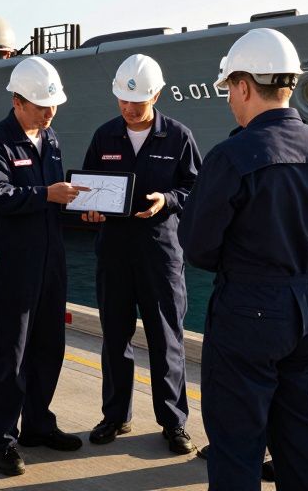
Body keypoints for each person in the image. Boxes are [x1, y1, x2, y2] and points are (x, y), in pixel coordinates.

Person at [179, 28, 308, 491]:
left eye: (229, 90)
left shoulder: (232, 157)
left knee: (237, 445)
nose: (229, 100)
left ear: (243, 85)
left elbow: (197, 246)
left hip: (250, 310)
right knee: (304, 440)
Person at [0, 57, 88, 477]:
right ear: (18, 101)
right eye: (41, 105)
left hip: (51, 261)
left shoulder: (50, 138)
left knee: (48, 346)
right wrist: (47, 194)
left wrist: (80, 204)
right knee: (11, 353)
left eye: (53, 104)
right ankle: (1, 439)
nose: (49, 112)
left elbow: (52, 198)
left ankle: (38, 423)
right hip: (14, 266)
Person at [80, 54, 201, 454]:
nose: (129, 109)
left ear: (157, 95)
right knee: (115, 337)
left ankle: (173, 422)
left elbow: (194, 189)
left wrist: (165, 200)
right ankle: (115, 416)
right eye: (122, 101)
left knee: (166, 339)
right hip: (114, 251)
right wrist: (91, 208)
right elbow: (89, 187)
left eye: (138, 102)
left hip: (160, 253)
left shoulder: (179, 137)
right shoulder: (104, 136)